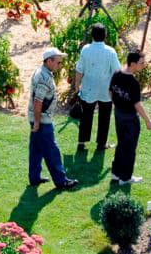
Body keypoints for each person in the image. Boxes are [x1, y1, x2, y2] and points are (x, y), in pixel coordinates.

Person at [28, 47, 79, 190]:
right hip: (42, 120)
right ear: (49, 61)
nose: (60, 65)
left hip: (35, 117)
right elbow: (38, 101)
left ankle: (34, 177)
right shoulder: (44, 78)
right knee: (52, 150)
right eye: (58, 62)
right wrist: (38, 122)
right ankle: (61, 181)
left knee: (36, 149)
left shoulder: (40, 71)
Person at [74, 23, 121, 152]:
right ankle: (101, 143)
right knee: (105, 116)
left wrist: (76, 86)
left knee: (86, 116)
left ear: (92, 36)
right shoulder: (110, 51)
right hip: (106, 89)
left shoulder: (86, 50)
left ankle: (82, 142)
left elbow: (79, 70)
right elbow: (117, 71)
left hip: (89, 88)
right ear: (105, 36)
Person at [109, 51, 151, 184]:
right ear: (133, 64)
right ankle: (126, 177)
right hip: (130, 118)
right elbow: (137, 104)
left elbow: (110, 91)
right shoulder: (133, 82)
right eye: (141, 63)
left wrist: (118, 105)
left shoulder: (117, 74)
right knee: (129, 147)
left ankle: (116, 174)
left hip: (118, 115)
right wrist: (148, 120)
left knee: (121, 144)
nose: (143, 66)